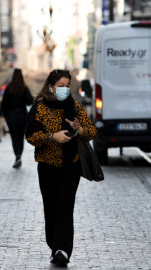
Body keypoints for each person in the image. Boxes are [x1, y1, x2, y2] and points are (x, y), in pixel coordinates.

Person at [25, 69, 96, 267]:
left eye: (67, 85)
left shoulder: (73, 105)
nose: (65, 89)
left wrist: (78, 128)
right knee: (51, 207)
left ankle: (63, 250)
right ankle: (54, 246)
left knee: (65, 206)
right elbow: (31, 136)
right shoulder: (39, 108)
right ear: (50, 87)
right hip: (47, 166)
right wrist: (51, 136)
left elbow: (91, 131)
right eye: (61, 86)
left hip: (69, 166)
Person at [1, 68, 34, 168]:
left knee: (14, 137)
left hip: (12, 116)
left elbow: (4, 104)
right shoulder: (24, 88)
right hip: (22, 115)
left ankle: (17, 155)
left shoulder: (9, 88)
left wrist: (6, 116)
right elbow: (29, 101)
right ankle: (19, 155)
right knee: (20, 137)